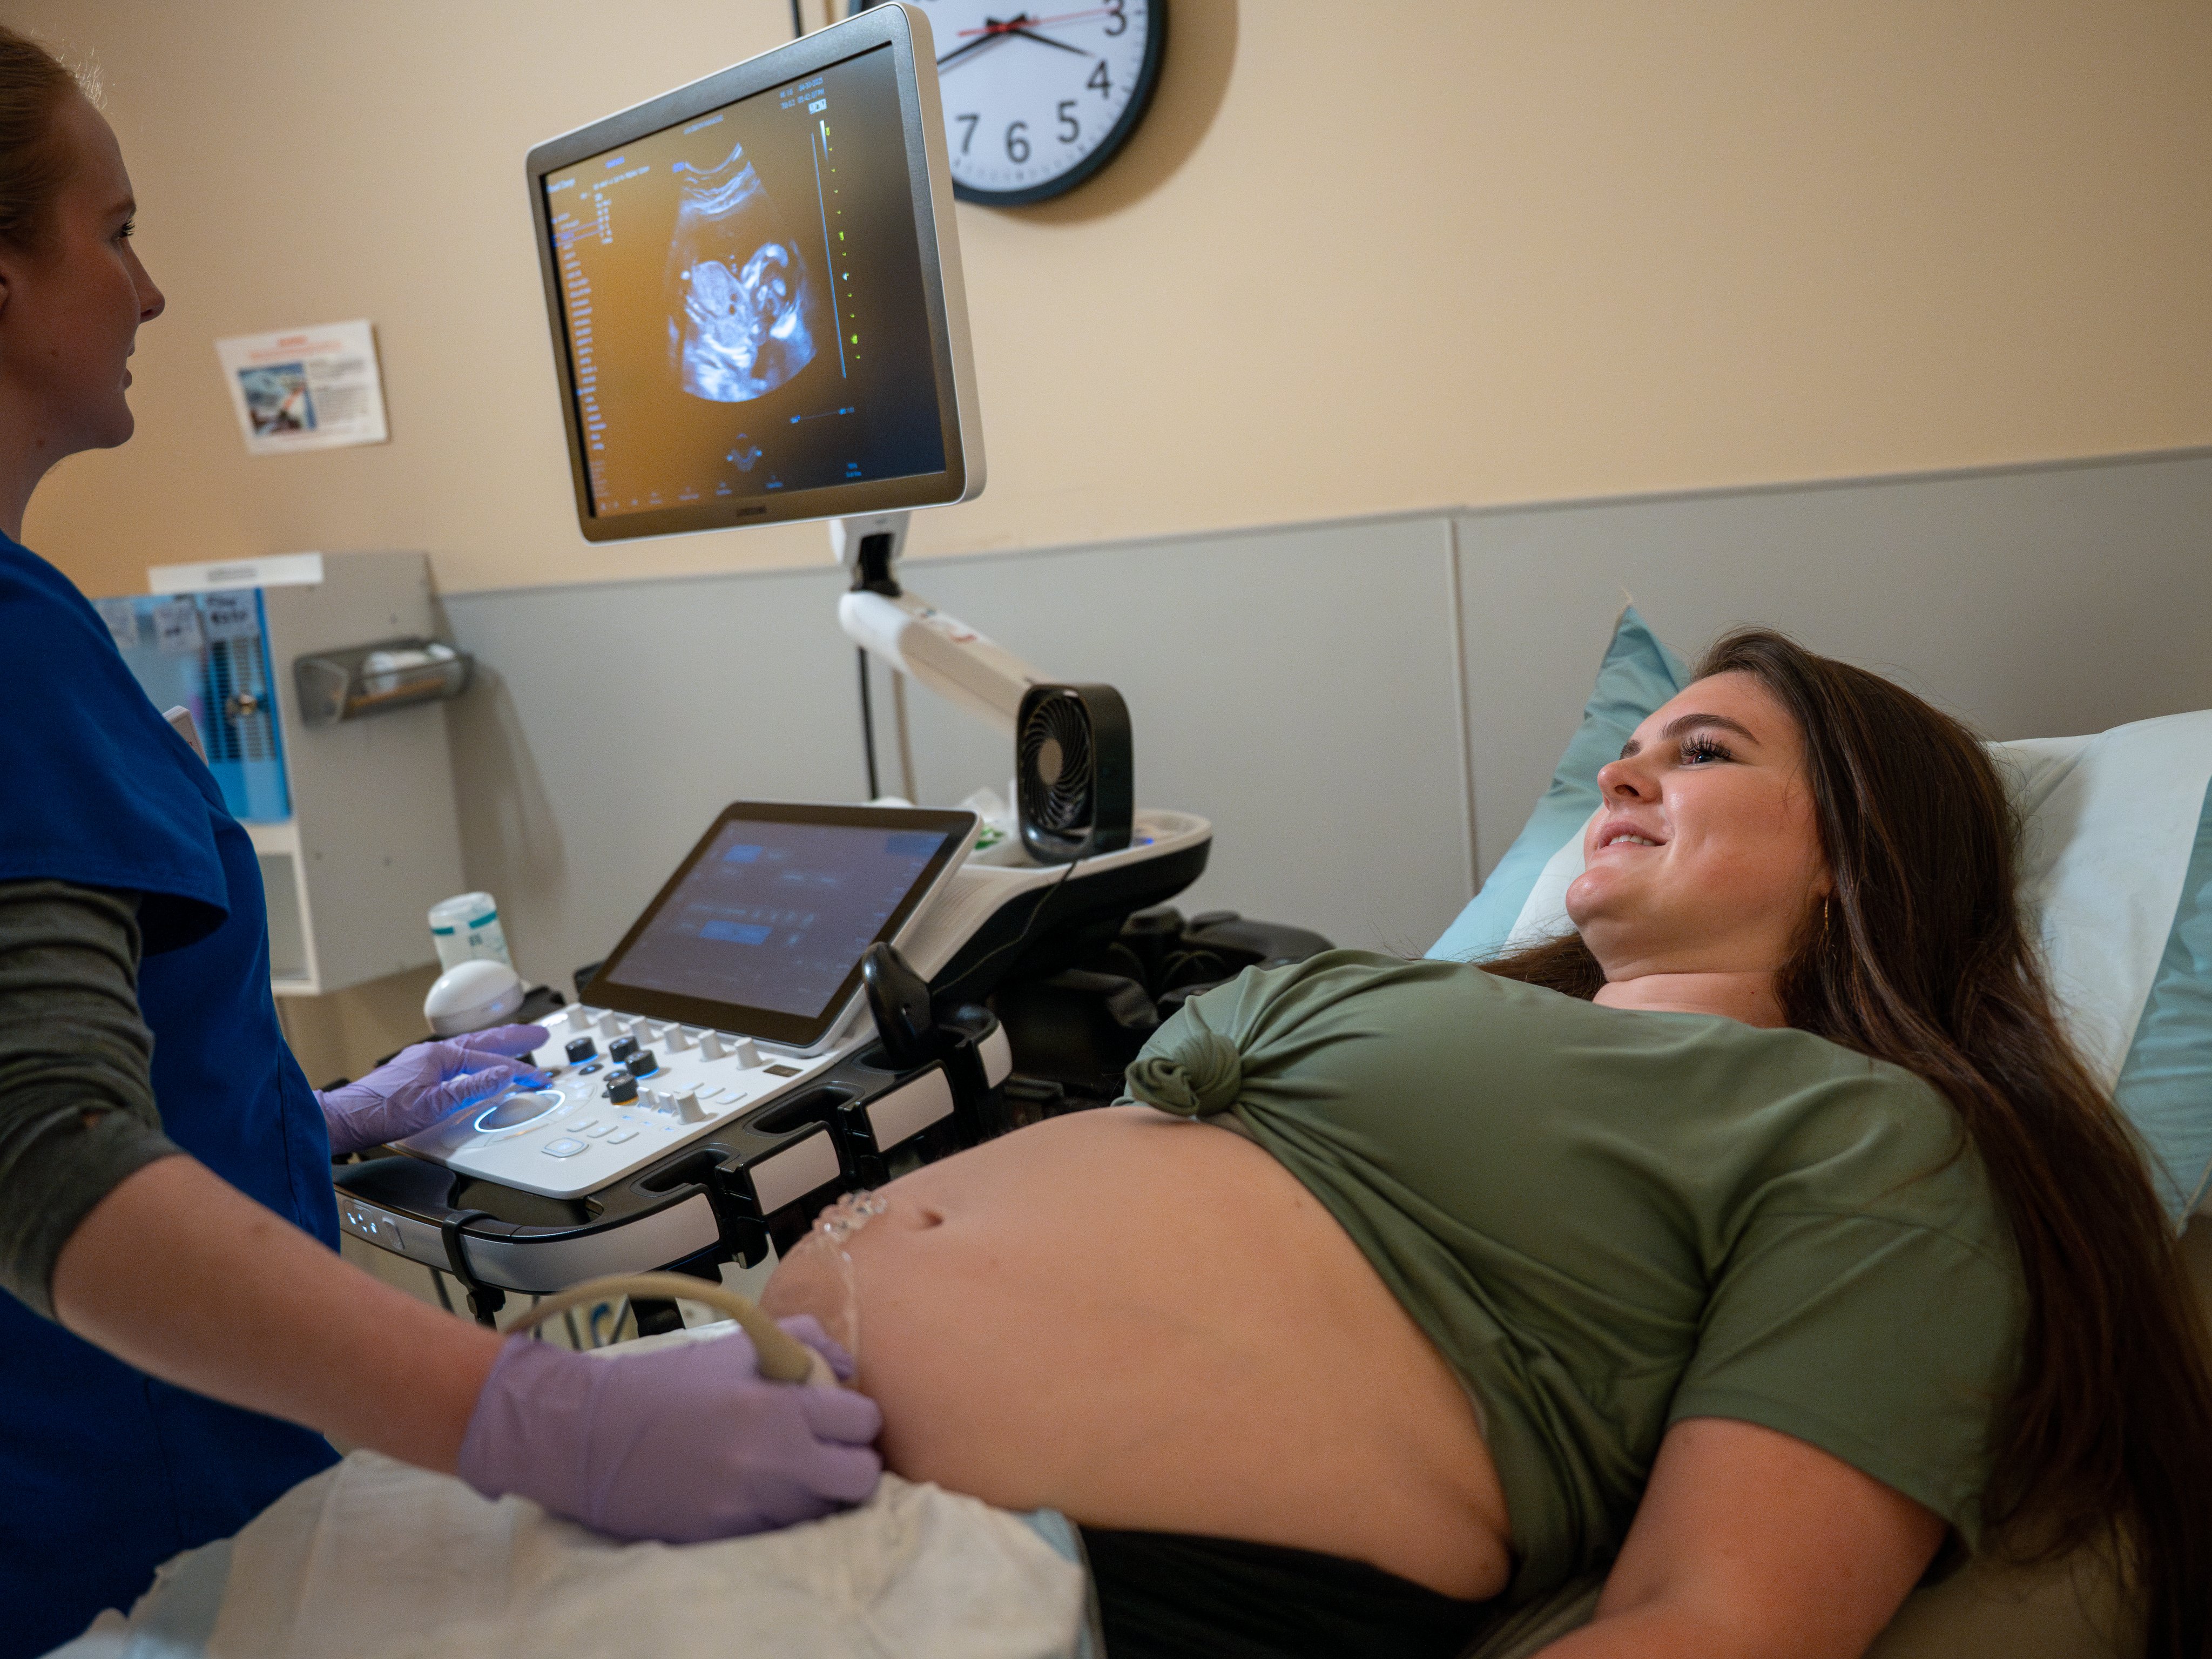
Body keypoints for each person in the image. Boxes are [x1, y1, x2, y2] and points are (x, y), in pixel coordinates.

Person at [762, 631, 2212, 1658]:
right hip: (729, 1438)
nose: (1623, 783)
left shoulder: (1861, 1137)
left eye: (1700, 754)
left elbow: (1721, 1623)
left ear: (1861, 850)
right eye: (1628, 755)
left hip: (1064, 1580)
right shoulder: (1420, 999)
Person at [0, 33, 879, 1659]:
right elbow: (42, 1161)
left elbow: (67, 1074)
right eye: (114, 230)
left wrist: (310, 1120)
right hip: (113, 1548)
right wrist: (549, 1420)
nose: (151, 292)